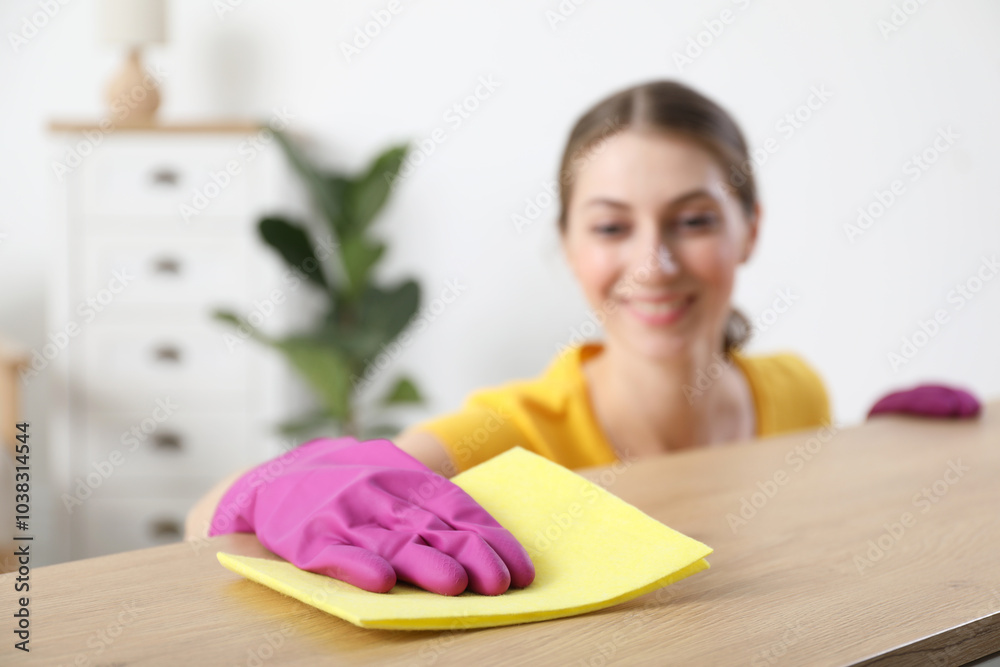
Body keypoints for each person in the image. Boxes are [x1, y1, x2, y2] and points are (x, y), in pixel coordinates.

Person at [184, 79, 831, 594]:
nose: (653, 264)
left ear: (750, 229)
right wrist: (268, 491)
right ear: (569, 246)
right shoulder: (508, 437)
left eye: (693, 220)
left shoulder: (798, 393)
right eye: (611, 228)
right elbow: (201, 521)